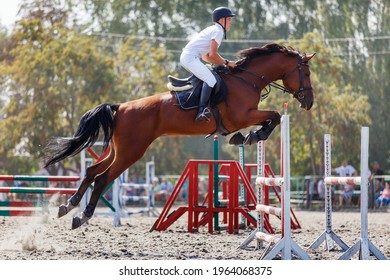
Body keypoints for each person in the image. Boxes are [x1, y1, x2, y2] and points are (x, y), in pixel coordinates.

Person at [180, 7, 237, 122]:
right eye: (229, 19)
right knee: (211, 80)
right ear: (222, 20)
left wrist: (222, 64)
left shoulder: (214, 29)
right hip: (190, 58)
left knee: (210, 77)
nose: (231, 22)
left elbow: (207, 57)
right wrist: (227, 63)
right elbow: (213, 54)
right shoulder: (218, 31)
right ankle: (202, 111)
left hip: (189, 57)